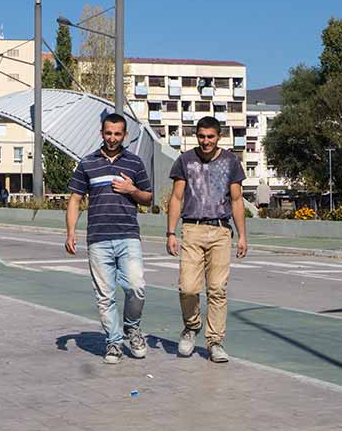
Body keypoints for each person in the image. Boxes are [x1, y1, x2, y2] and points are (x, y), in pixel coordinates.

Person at [65, 114, 153, 365]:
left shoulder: (134, 163)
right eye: (108, 133)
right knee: (105, 296)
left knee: (136, 286)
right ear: (101, 133)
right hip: (98, 239)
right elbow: (75, 199)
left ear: (124, 135)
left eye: (117, 134)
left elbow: (148, 197)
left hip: (128, 236)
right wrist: (71, 232)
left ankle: (132, 329)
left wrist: (132, 190)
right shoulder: (87, 163)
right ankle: (114, 343)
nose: (112, 138)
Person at [166, 116, 248, 364]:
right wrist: (171, 232)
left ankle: (215, 342)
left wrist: (242, 235)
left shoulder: (231, 161)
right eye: (201, 136)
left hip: (221, 231)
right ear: (196, 136)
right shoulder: (185, 160)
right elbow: (177, 198)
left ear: (219, 137)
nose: (205, 141)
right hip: (192, 228)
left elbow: (236, 200)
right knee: (188, 287)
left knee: (217, 290)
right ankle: (192, 326)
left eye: (210, 136)